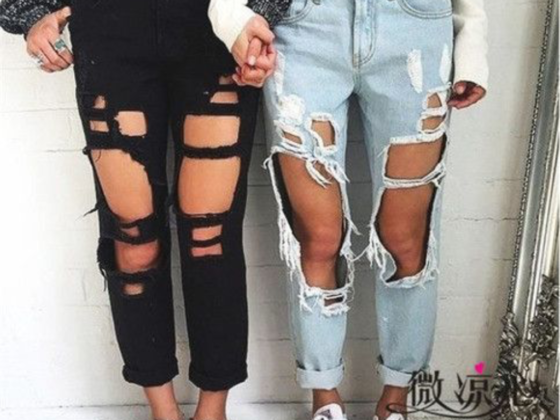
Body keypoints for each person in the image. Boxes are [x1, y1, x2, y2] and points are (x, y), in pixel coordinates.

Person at [0, 1, 281, 419]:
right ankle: (162, 412)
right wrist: (28, 13)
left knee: (211, 236)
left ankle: (213, 411)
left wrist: (258, 13)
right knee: (132, 237)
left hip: (217, 28)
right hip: (108, 28)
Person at [210, 0, 488, 419]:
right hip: (305, 28)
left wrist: (471, 37)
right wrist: (231, 17)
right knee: (318, 236)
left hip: (415, 26)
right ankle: (324, 399)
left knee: (406, 237)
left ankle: (396, 399)